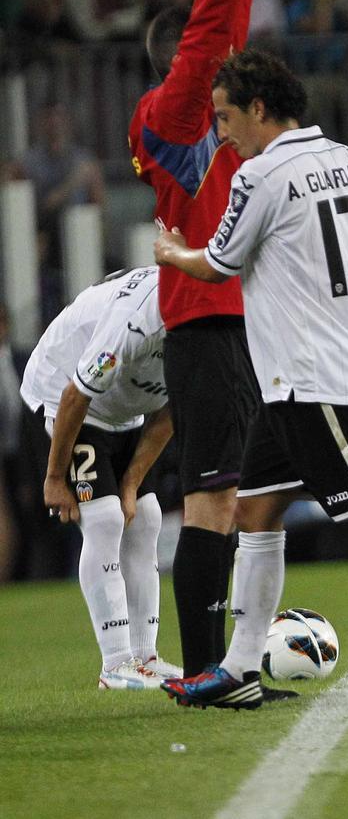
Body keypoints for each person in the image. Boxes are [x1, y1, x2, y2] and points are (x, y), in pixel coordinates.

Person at [153, 49, 348, 709]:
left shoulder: (262, 175)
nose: (222, 133)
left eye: (226, 117)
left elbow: (217, 264)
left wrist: (170, 252)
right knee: (257, 510)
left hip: (312, 378)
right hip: (301, 378)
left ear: (261, 109)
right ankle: (241, 666)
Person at [128, 0, 258, 679]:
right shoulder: (171, 119)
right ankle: (207, 673)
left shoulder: (213, 121)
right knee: (211, 499)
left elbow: (224, 37)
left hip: (237, 321)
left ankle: (223, 669)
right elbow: (213, 32)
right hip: (206, 323)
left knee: (232, 498)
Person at [19, 267, 181, 688]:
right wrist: (55, 478)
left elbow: (171, 412)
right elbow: (76, 393)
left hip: (126, 407)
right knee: (106, 518)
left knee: (146, 518)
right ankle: (115, 663)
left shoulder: (211, 328)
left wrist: (131, 484)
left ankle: (145, 657)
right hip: (66, 392)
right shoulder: (135, 320)